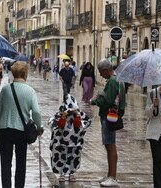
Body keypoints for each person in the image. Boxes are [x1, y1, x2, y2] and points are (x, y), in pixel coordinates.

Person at [0, 61, 44, 188]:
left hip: (5, 129)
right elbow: (37, 112)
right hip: (21, 131)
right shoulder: (30, 91)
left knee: (5, 163)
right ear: (25, 73)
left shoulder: (5, 90)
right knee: (21, 163)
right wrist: (39, 127)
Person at [89, 58, 126, 187]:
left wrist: (94, 101)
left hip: (109, 116)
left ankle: (112, 176)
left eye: (100, 72)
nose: (100, 75)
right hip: (113, 115)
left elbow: (108, 101)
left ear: (106, 70)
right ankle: (110, 174)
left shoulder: (112, 81)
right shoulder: (118, 80)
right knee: (109, 145)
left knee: (110, 145)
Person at [49, 93, 92, 182]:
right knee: (62, 157)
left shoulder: (79, 115)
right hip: (61, 142)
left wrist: (77, 115)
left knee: (73, 157)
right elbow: (55, 124)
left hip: (75, 143)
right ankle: (62, 173)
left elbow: (83, 123)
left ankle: (71, 173)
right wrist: (63, 116)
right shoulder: (60, 114)